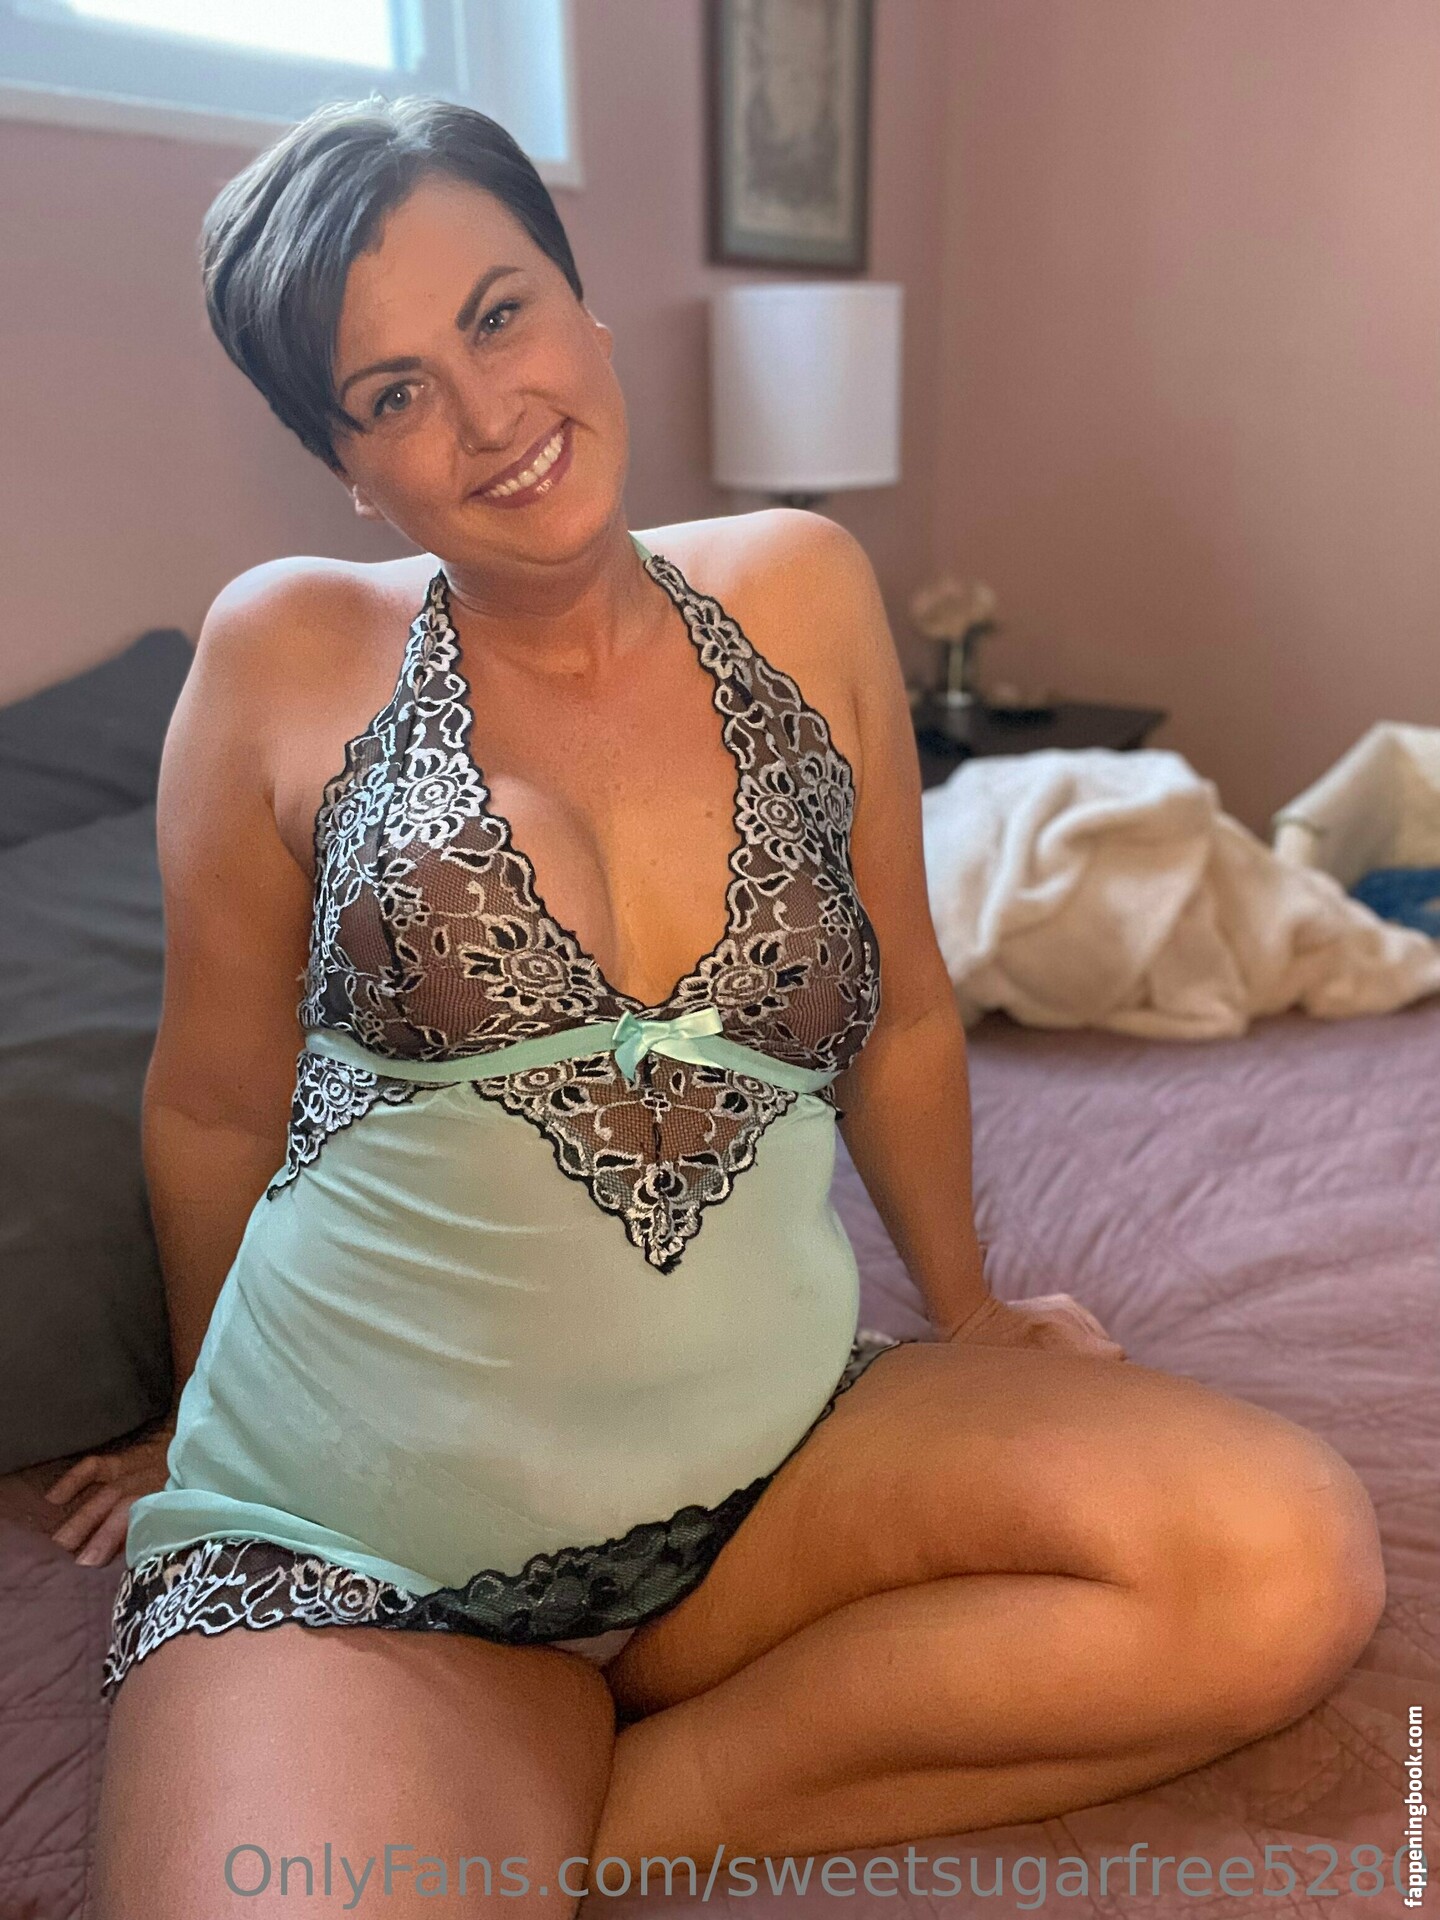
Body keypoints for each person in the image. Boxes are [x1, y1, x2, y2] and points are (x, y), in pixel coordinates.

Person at [46, 94, 1384, 1920]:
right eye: (395, 392)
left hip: (769, 1480)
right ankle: (454, 1800)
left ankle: (591, 1823)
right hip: (361, 1549)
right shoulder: (280, 650)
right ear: (347, 464)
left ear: (585, 308)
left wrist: (971, 1310)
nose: (489, 414)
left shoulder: (804, 589)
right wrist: (194, 1411)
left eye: (501, 316)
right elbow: (213, 1104)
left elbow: (905, 1014)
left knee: (1283, 1562)